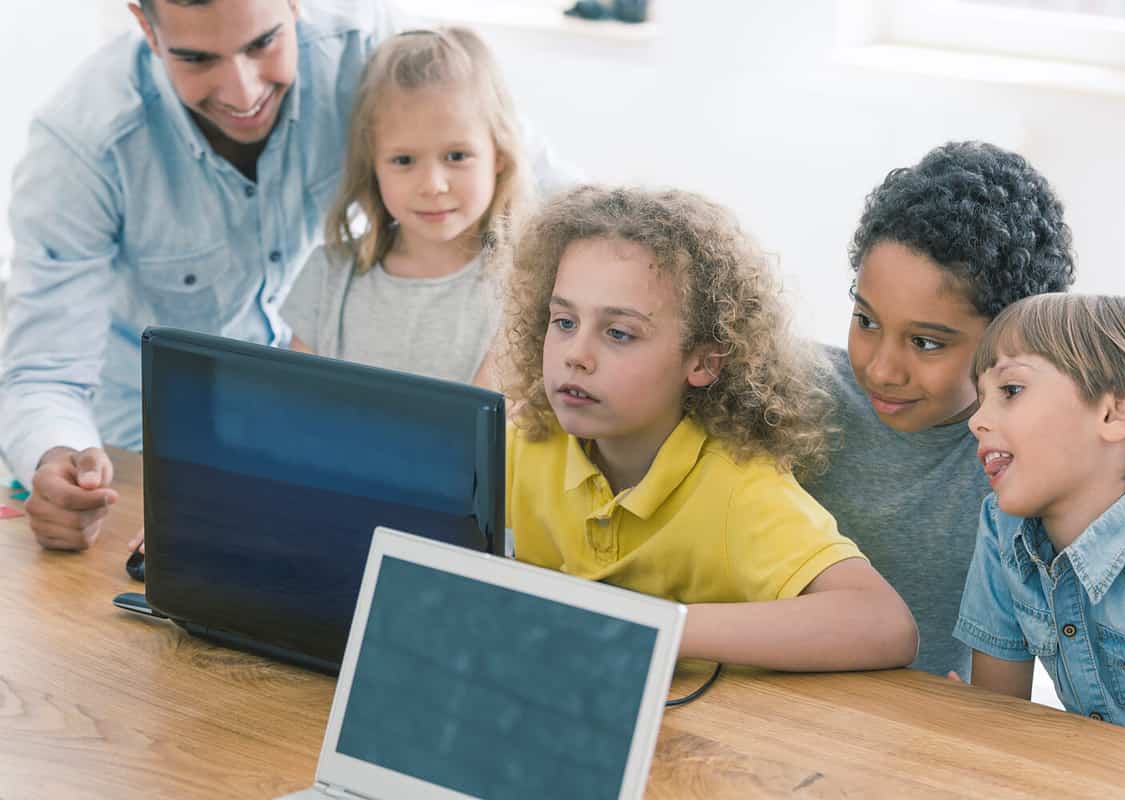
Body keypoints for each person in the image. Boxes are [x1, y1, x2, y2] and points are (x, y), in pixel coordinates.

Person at [1, 0, 574, 551]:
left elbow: (559, 201)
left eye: (263, 43)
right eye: (199, 59)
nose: (243, 92)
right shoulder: (82, 144)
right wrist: (58, 459)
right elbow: (43, 371)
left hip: (290, 463)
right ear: (147, 31)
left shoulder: (367, 46)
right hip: (141, 442)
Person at [501, 186, 918, 671]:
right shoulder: (526, 444)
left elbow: (883, 623)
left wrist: (651, 626)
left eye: (619, 333)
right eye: (564, 321)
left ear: (702, 361)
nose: (576, 354)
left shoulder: (736, 487)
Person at [802, 141, 1076, 678]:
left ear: (1012, 342)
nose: (882, 369)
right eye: (866, 320)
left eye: (926, 343)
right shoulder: (788, 398)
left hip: (918, 735)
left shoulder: (1027, 465)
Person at [956, 294, 1125, 744]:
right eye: (980, 397)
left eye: (1010, 390)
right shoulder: (1002, 528)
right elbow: (996, 716)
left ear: (1118, 410)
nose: (977, 420)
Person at [282, 28, 528, 387]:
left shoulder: (522, 287)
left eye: (456, 156)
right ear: (373, 165)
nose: (432, 184)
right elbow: (291, 405)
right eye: (403, 160)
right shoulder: (327, 276)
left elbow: (485, 433)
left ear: (500, 156)